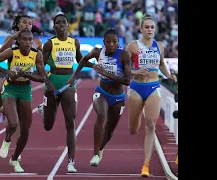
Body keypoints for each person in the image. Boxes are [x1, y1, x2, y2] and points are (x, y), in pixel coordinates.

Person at [36, 14, 93, 173]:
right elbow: (40, 65)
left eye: (63, 22)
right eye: (58, 23)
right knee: (48, 126)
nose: (61, 25)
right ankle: (43, 110)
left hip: (69, 83)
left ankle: (71, 161)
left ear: (68, 25)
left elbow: (81, 60)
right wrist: (47, 82)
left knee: (71, 121)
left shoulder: (74, 42)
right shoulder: (49, 44)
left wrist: (96, 66)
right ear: (54, 26)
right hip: (53, 82)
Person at [67, 28, 131, 167]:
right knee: (101, 115)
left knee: (109, 130)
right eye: (108, 42)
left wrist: (105, 73)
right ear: (104, 42)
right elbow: (83, 59)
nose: (112, 44)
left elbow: (127, 81)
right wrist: (74, 76)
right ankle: (95, 153)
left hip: (119, 97)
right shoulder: (97, 52)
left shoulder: (124, 55)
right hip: (101, 92)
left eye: (114, 41)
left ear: (118, 42)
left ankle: (101, 148)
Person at [125, 14, 177, 177]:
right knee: (133, 129)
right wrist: (135, 71)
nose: (150, 30)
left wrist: (168, 75)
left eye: (152, 27)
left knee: (151, 126)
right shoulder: (133, 46)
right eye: (146, 27)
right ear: (141, 29)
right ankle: (137, 116)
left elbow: (161, 64)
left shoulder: (159, 45)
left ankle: (145, 165)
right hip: (136, 87)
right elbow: (123, 68)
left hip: (154, 86)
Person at [0, 28, 46, 173]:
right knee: (13, 123)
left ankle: (15, 159)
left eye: (30, 39)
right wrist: (8, 72)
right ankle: (7, 139)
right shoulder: (12, 52)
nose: (27, 42)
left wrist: (29, 75)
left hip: (25, 90)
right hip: (10, 88)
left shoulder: (36, 54)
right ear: (18, 41)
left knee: (25, 131)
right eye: (24, 39)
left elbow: (43, 77)